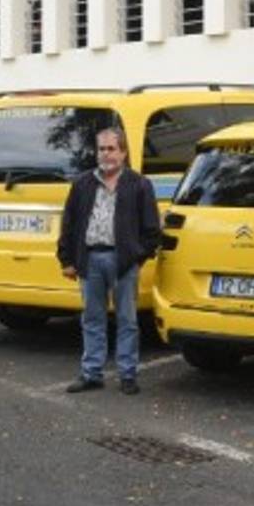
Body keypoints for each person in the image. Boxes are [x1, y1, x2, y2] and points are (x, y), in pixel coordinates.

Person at [56, 128, 161, 396]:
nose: (106, 154)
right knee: (92, 319)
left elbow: (152, 230)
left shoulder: (139, 184)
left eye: (111, 149)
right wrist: (66, 259)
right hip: (89, 259)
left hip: (123, 261)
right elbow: (68, 224)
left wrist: (138, 258)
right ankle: (91, 373)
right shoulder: (82, 184)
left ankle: (128, 374)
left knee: (127, 320)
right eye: (101, 149)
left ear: (123, 152)